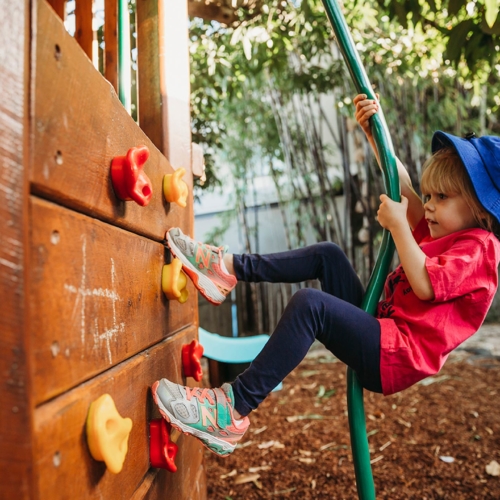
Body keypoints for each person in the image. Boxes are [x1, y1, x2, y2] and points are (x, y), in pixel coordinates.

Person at [152, 94, 500, 457]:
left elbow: (426, 285)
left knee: (310, 306)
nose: (428, 204)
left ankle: (231, 410)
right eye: (431, 195)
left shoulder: (481, 248)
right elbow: (406, 190)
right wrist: (374, 134)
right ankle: (227, 270)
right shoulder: (444, 227)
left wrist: (399, 226)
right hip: (383, 329)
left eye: (441, 196)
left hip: (395, 355)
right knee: (327, 255)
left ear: (480, 207)